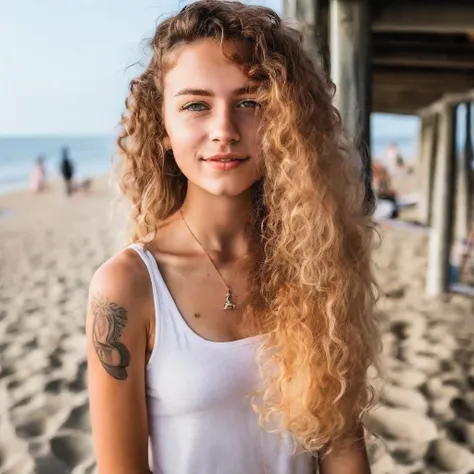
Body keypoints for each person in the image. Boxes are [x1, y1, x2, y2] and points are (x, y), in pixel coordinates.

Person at [86, 2, 381, 473]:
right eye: (196, 105)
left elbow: (342, 446)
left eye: (250, 103)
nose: (224, 130)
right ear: (161, 126)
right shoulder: (128, 287)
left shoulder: (320, 261)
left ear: (287, 120)